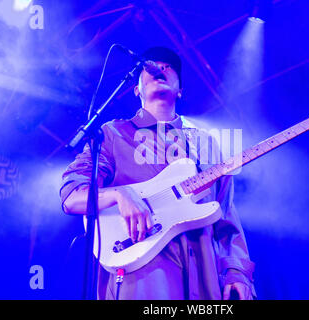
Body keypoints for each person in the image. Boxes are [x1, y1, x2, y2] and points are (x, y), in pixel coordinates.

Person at [60, 46, 256, 300]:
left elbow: (226, 215)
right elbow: (71, 196)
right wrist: (121, 195)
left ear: (180, 90)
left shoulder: (205, 144)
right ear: (136, 88)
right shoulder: (112, 134)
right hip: (140, 278)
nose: (160, 69)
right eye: (151, 66)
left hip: (203, 278)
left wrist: (236, 273)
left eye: (169, 67)